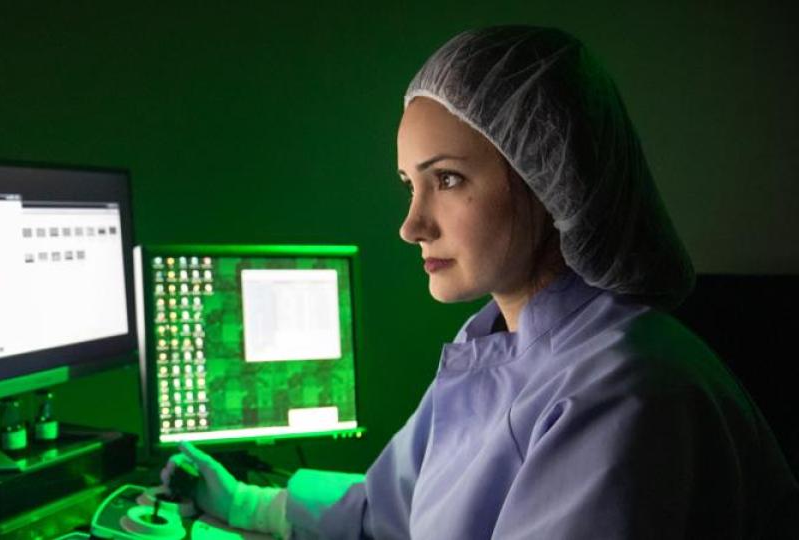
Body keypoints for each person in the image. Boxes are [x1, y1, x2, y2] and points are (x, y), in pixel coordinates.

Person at [162, 25, 799, 539]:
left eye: (448, 180)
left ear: (553, 178)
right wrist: (244, 503)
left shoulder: (623, 392)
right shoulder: (499, 342)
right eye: (411, 184)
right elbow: (387, 509)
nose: (412, 225)